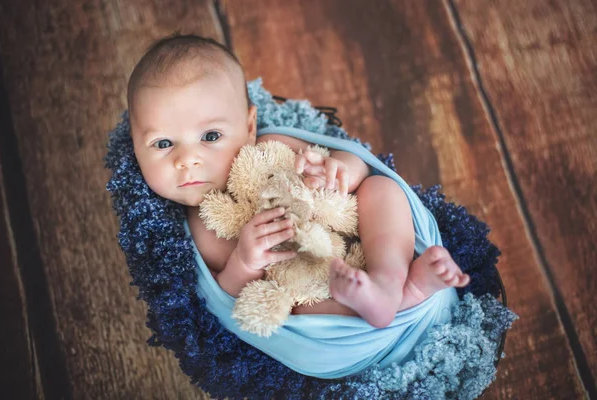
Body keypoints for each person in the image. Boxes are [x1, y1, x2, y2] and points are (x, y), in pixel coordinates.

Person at [128, 33, 470, 329]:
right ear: (134, 144)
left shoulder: (271, 147)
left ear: (249, 127)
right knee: (291, 311)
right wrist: (245, 262)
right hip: (317, 286)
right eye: (163, 143)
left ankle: (389, 281)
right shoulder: (196, 227)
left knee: (381, 190)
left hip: (357, 237)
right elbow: (227, 299)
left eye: (211, 135)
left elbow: (359, 164)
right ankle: (409, 294)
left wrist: (337, 170)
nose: (187, 159)